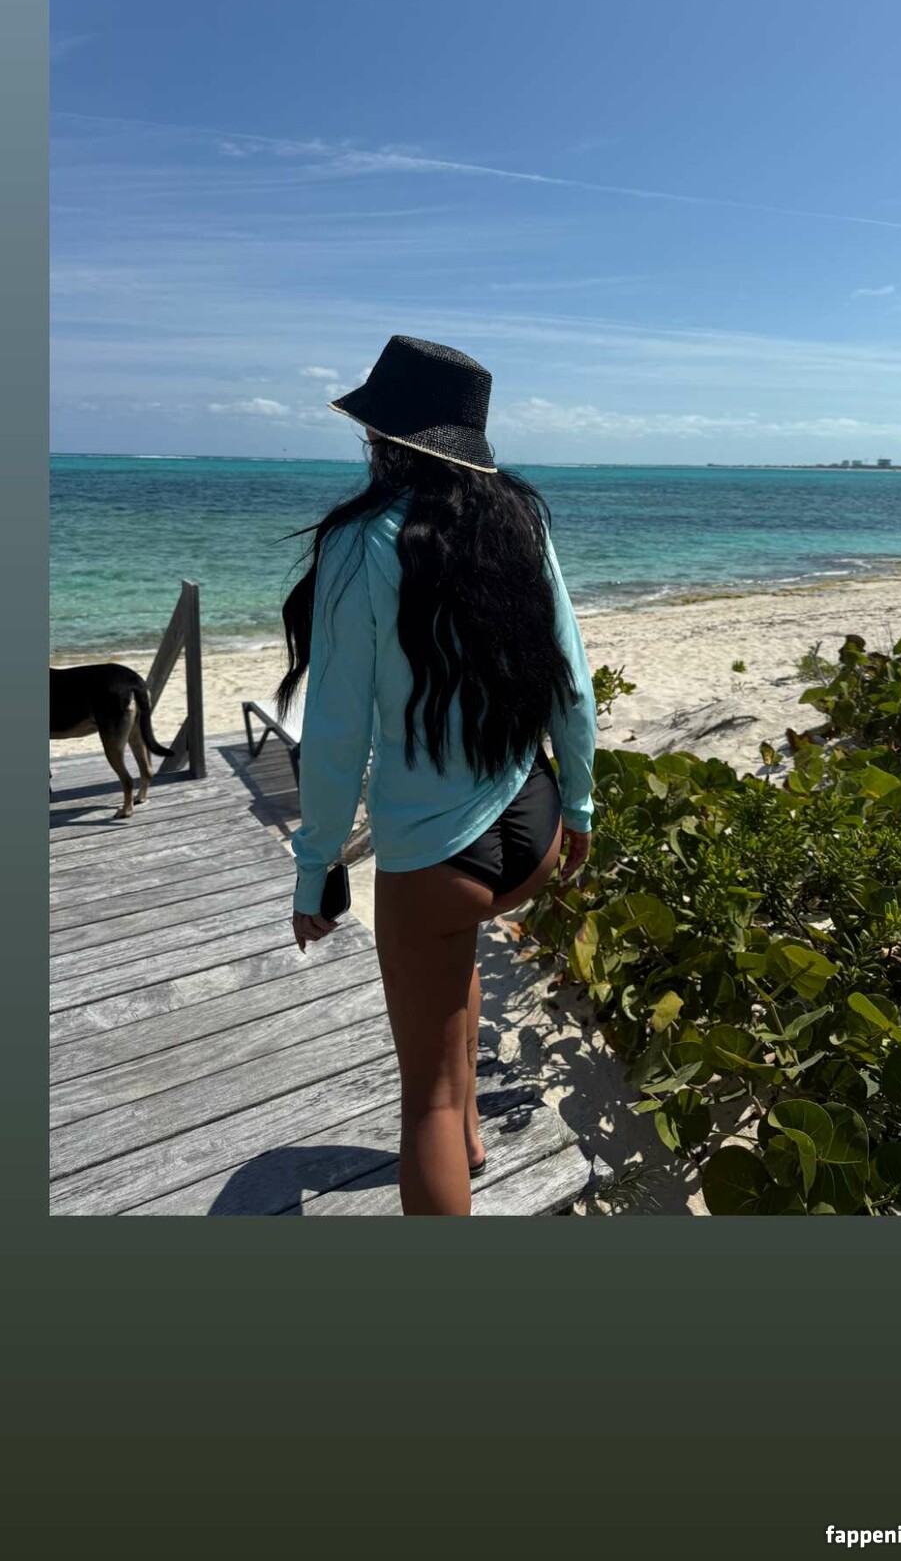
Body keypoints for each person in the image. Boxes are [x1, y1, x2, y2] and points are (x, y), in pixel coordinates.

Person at [276, 334, 597, 1216]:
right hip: (530, 832)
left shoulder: (360, 543)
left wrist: (317, 866)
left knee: (425, 1100)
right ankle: (472, 1141)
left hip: (436, 860)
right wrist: (579, 805)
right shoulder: (520, 521)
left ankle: (453, 1144)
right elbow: (570, 680)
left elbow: (336, 733)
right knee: (454, 960)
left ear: (384, 438)